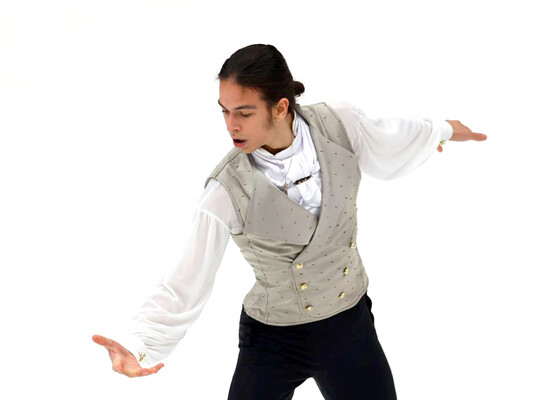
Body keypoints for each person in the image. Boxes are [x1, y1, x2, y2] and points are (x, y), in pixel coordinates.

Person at [93, 44, 487, 399]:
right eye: (225, 111)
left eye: (244, 113)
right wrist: (138, 343)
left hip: (349, 323)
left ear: (281, 107)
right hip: (272, 339)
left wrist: (443, 130)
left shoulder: (340, 124)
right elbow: (185, 280)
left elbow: (393, 135)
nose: (231, 125)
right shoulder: (225, 190)